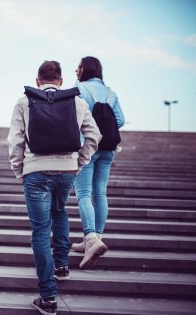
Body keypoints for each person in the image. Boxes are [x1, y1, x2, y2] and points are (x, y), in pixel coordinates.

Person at [8, 60, 101, 315]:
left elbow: (15, 140)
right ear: (60, 81)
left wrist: (19, 170)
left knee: (40, 231)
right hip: (66, 170)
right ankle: (61, 266)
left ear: (38, 80)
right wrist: (78, 162)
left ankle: (48, 297)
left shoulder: (24, 101)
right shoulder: (77, 102)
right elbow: (95, 136)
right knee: (60, 212)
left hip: (35, 170)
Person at [71, 56, 125, 269]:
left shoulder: (80, 88)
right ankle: (94, 239)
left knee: (84, 194)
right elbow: (119, 119)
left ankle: (90, 238)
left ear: (84, 69)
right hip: (108, 148)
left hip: (88, 147)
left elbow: (72, 115)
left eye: (78, 67)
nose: (76, 70)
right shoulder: (111, 92)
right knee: (100, 193)